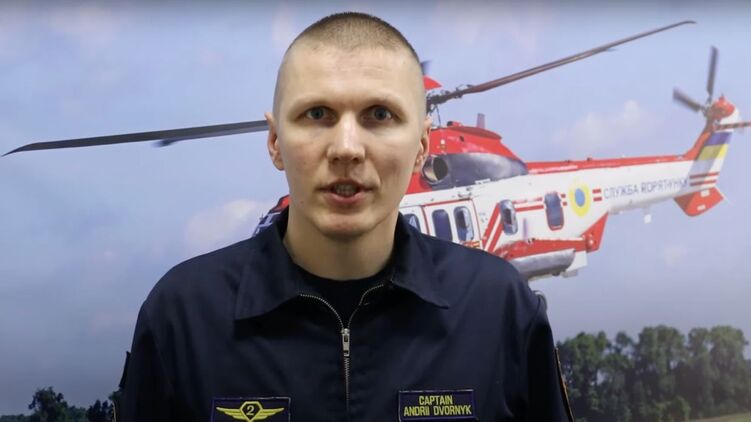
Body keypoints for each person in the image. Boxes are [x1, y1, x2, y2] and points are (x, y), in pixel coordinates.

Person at [118, 12, 573, 421]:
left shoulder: (499, 307)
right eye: (317, 114)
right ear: (274, 142)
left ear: (422, 147)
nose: (346, 149)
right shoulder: (183, 315)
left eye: (380, 114)